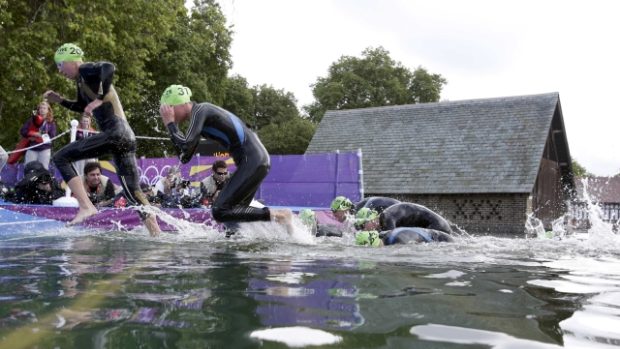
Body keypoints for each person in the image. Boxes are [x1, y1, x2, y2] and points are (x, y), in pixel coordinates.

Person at [43, 43, 160, 236]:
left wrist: (100, 96)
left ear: (71, 61)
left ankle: (86, 206)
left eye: (60, 64)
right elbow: (82, 106)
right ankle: (157, 236)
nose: (59, 70)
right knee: (133, 194)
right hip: (124, 138)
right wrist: (61, 100)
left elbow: (108, 67)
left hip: (116, 133)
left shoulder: (85, 69)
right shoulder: (82, 82)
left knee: (60, 158)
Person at [158, 84, 292, 234]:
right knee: (232, 219)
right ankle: (271, 235)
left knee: (219, 210)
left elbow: (186, 144)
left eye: (169, 109)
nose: (169, 113)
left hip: (253, 160)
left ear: (182, 103)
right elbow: (185, 156)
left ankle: (280, 216)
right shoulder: (198, 118)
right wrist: (172, 126)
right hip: (255, 161)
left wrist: (170, 124)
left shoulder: (200, 110)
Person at [379, 203, 454, 235]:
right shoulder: (387, 214)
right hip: (441, 223)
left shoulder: (385, 218)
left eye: (366, 225)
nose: (367, 229)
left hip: (438, 225)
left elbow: (390, 237)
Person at [23, 101, 57, 170]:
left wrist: (42, 135)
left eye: (44, 108)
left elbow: (53, 136)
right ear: (38, 110)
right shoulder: (32, 120)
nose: (42, 110)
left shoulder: (51, 122)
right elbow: (23, 131)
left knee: (43, 170)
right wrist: (32, 135)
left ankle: (42, 181)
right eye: (40, 108)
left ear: (48, 110)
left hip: (45, 149)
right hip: (32, 148)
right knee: (28, 168)